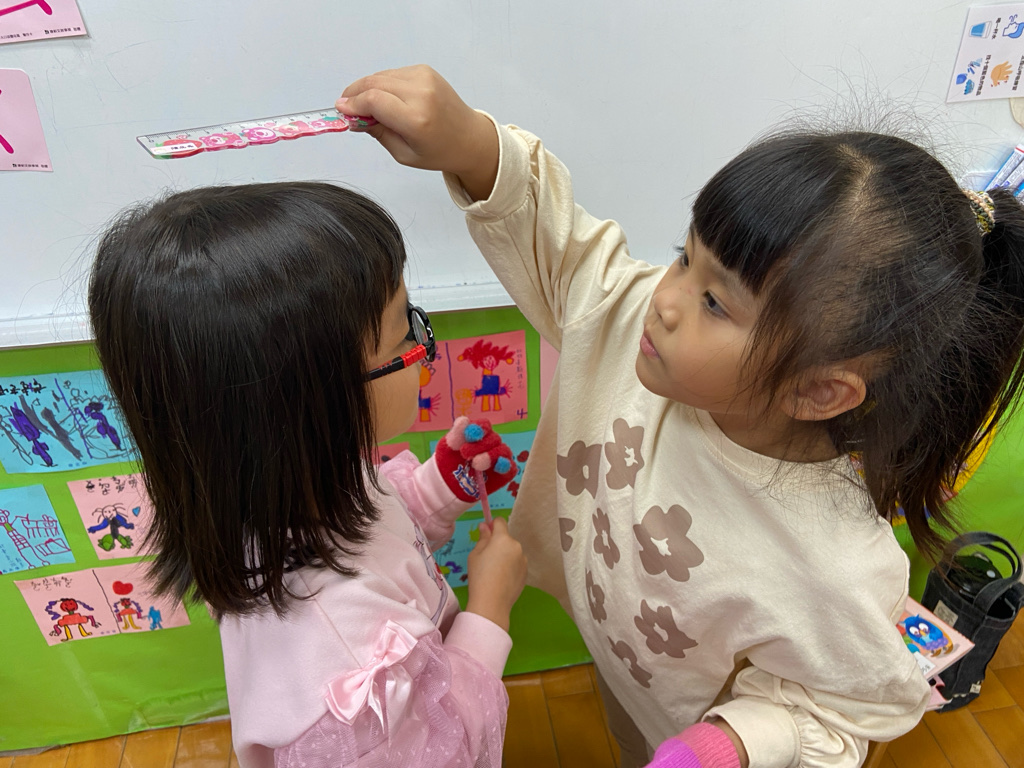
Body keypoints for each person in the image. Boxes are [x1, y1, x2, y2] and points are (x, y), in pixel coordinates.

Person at [336, 66, 1024, 768]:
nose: (664, 299)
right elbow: (565, 254)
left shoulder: (839, 568)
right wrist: (472, 146)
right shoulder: (639, 326)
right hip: (631, 682)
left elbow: (848, 711)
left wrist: (728, 744)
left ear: (818, 392)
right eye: (683, 258)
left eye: (715, 302)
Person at [88, 182, 528, 768]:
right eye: (404, 334)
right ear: (312, 399)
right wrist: (490, 610)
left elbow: (370, 530)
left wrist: (441, 485)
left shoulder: (275, 494)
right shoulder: (347, 662)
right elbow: (444, 748)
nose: (423, 346)